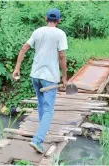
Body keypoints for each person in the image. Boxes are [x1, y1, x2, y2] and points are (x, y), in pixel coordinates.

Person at [12, 8, 68, 153]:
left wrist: (17, 67)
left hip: (35, 75)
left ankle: (41, 134)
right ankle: (37, 140)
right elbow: (62, 56)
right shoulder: (60, 34)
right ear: (59, 20)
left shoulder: (37, 31)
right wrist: (64, 77)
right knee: (49, 109)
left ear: (45, 18)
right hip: (50, 78)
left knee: (42, 105)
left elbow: (24, 48)